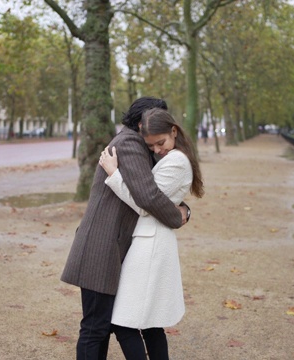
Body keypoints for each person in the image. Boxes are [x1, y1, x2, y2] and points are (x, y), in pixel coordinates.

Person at [61, 97, 191, 360]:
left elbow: (156, 191)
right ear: (143, 122)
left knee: (101, 326)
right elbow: (149, 198)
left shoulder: (139, 144)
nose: (156, 145)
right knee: (95, 327)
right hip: (102, 246)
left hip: (109, 246)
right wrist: (178, 217)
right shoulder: (130, 144)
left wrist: (184, 207)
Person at [99, 108, 204, 360]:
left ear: (174, 131)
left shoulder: (177, 161)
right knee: (150, 323)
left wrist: (114, 174)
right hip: (149, 240)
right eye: (151, 145)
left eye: (161, 142)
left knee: (123, 322)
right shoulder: (170, 158)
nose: (158, 149)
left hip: (151, 244)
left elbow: (145, 205)